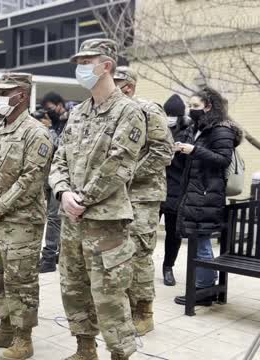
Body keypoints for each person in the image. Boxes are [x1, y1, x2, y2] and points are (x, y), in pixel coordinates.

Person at [49, 39, 146, 360]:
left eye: (87, 61)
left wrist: (82, 199)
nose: (80, 67)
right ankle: (84, 349)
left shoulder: (128, 111)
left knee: (109, 295)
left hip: (104, 223)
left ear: (106, 65)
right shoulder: (78, 114)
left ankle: (120, 354)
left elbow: (119, 164)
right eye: (79, 61)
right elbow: (58, 158)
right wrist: (63, 192)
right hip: (72, 220)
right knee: (73, 288)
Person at [0, 73, 52, 360]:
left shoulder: (36, 132)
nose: (1, 97)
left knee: (21, 280)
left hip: (21, 221)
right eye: (0, 91)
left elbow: (32, 178)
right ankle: (5, 326)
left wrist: (0, 207)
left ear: (22, 95)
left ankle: (23, 337)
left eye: (7, 92)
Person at [114, 66, 174, 335]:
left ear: (128, 86)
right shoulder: (111, 112)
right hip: (115, 195)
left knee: (139, 253)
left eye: (116, 83)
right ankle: (125, 307)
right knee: (119, 253)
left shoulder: (148, 110)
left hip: (143, 195)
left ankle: (144, 312)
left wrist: (128, 175)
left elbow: (164, 151)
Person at [173, 87, 242, 306]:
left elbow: (223, 159)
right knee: (198, 239)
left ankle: (204, 291)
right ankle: (205, 287)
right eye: (190, 106)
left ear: (209, 106)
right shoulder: (199, 127)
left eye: (195, 106)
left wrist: (193, 150)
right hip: (196, 191)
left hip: (207, 194)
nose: (191, 110)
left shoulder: (222, 129)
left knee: (201, 240)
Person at [160, 94, 191, 286]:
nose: (170, 117)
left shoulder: (188, 132)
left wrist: (179, 151)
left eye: (173, 115)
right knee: (145, 230)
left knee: (173, 233)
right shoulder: (159, 128)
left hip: (176, 189)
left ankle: (168, 267)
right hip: (155, 187)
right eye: (168, 114)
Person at [39, 91, 69, 273]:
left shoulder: (71, 121)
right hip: (50, 175)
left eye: (51, 109)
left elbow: (60, 145)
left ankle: (49, 257)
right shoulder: (57, 123)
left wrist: (49, 128)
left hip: (62, 177)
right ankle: (56, 253)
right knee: (55, 218)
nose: (49, 113)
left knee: (53, 217)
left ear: (59, 105)